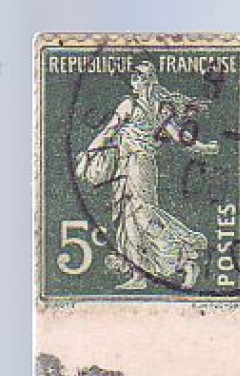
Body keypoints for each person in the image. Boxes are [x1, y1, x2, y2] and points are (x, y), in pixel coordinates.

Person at [75, 60, 215, 290]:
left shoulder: (158, 108)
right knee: (126, 219)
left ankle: (186, 262)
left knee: (143, 218)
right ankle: (139, 275)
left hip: (141, 166)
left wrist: (202, 147)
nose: (136, 81)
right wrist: (89, 153)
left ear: (150, 80)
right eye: (134, 77)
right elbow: (108, 132)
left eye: (140, 77)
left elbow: (179, 136)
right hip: (123, 167)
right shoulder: (127, 105)